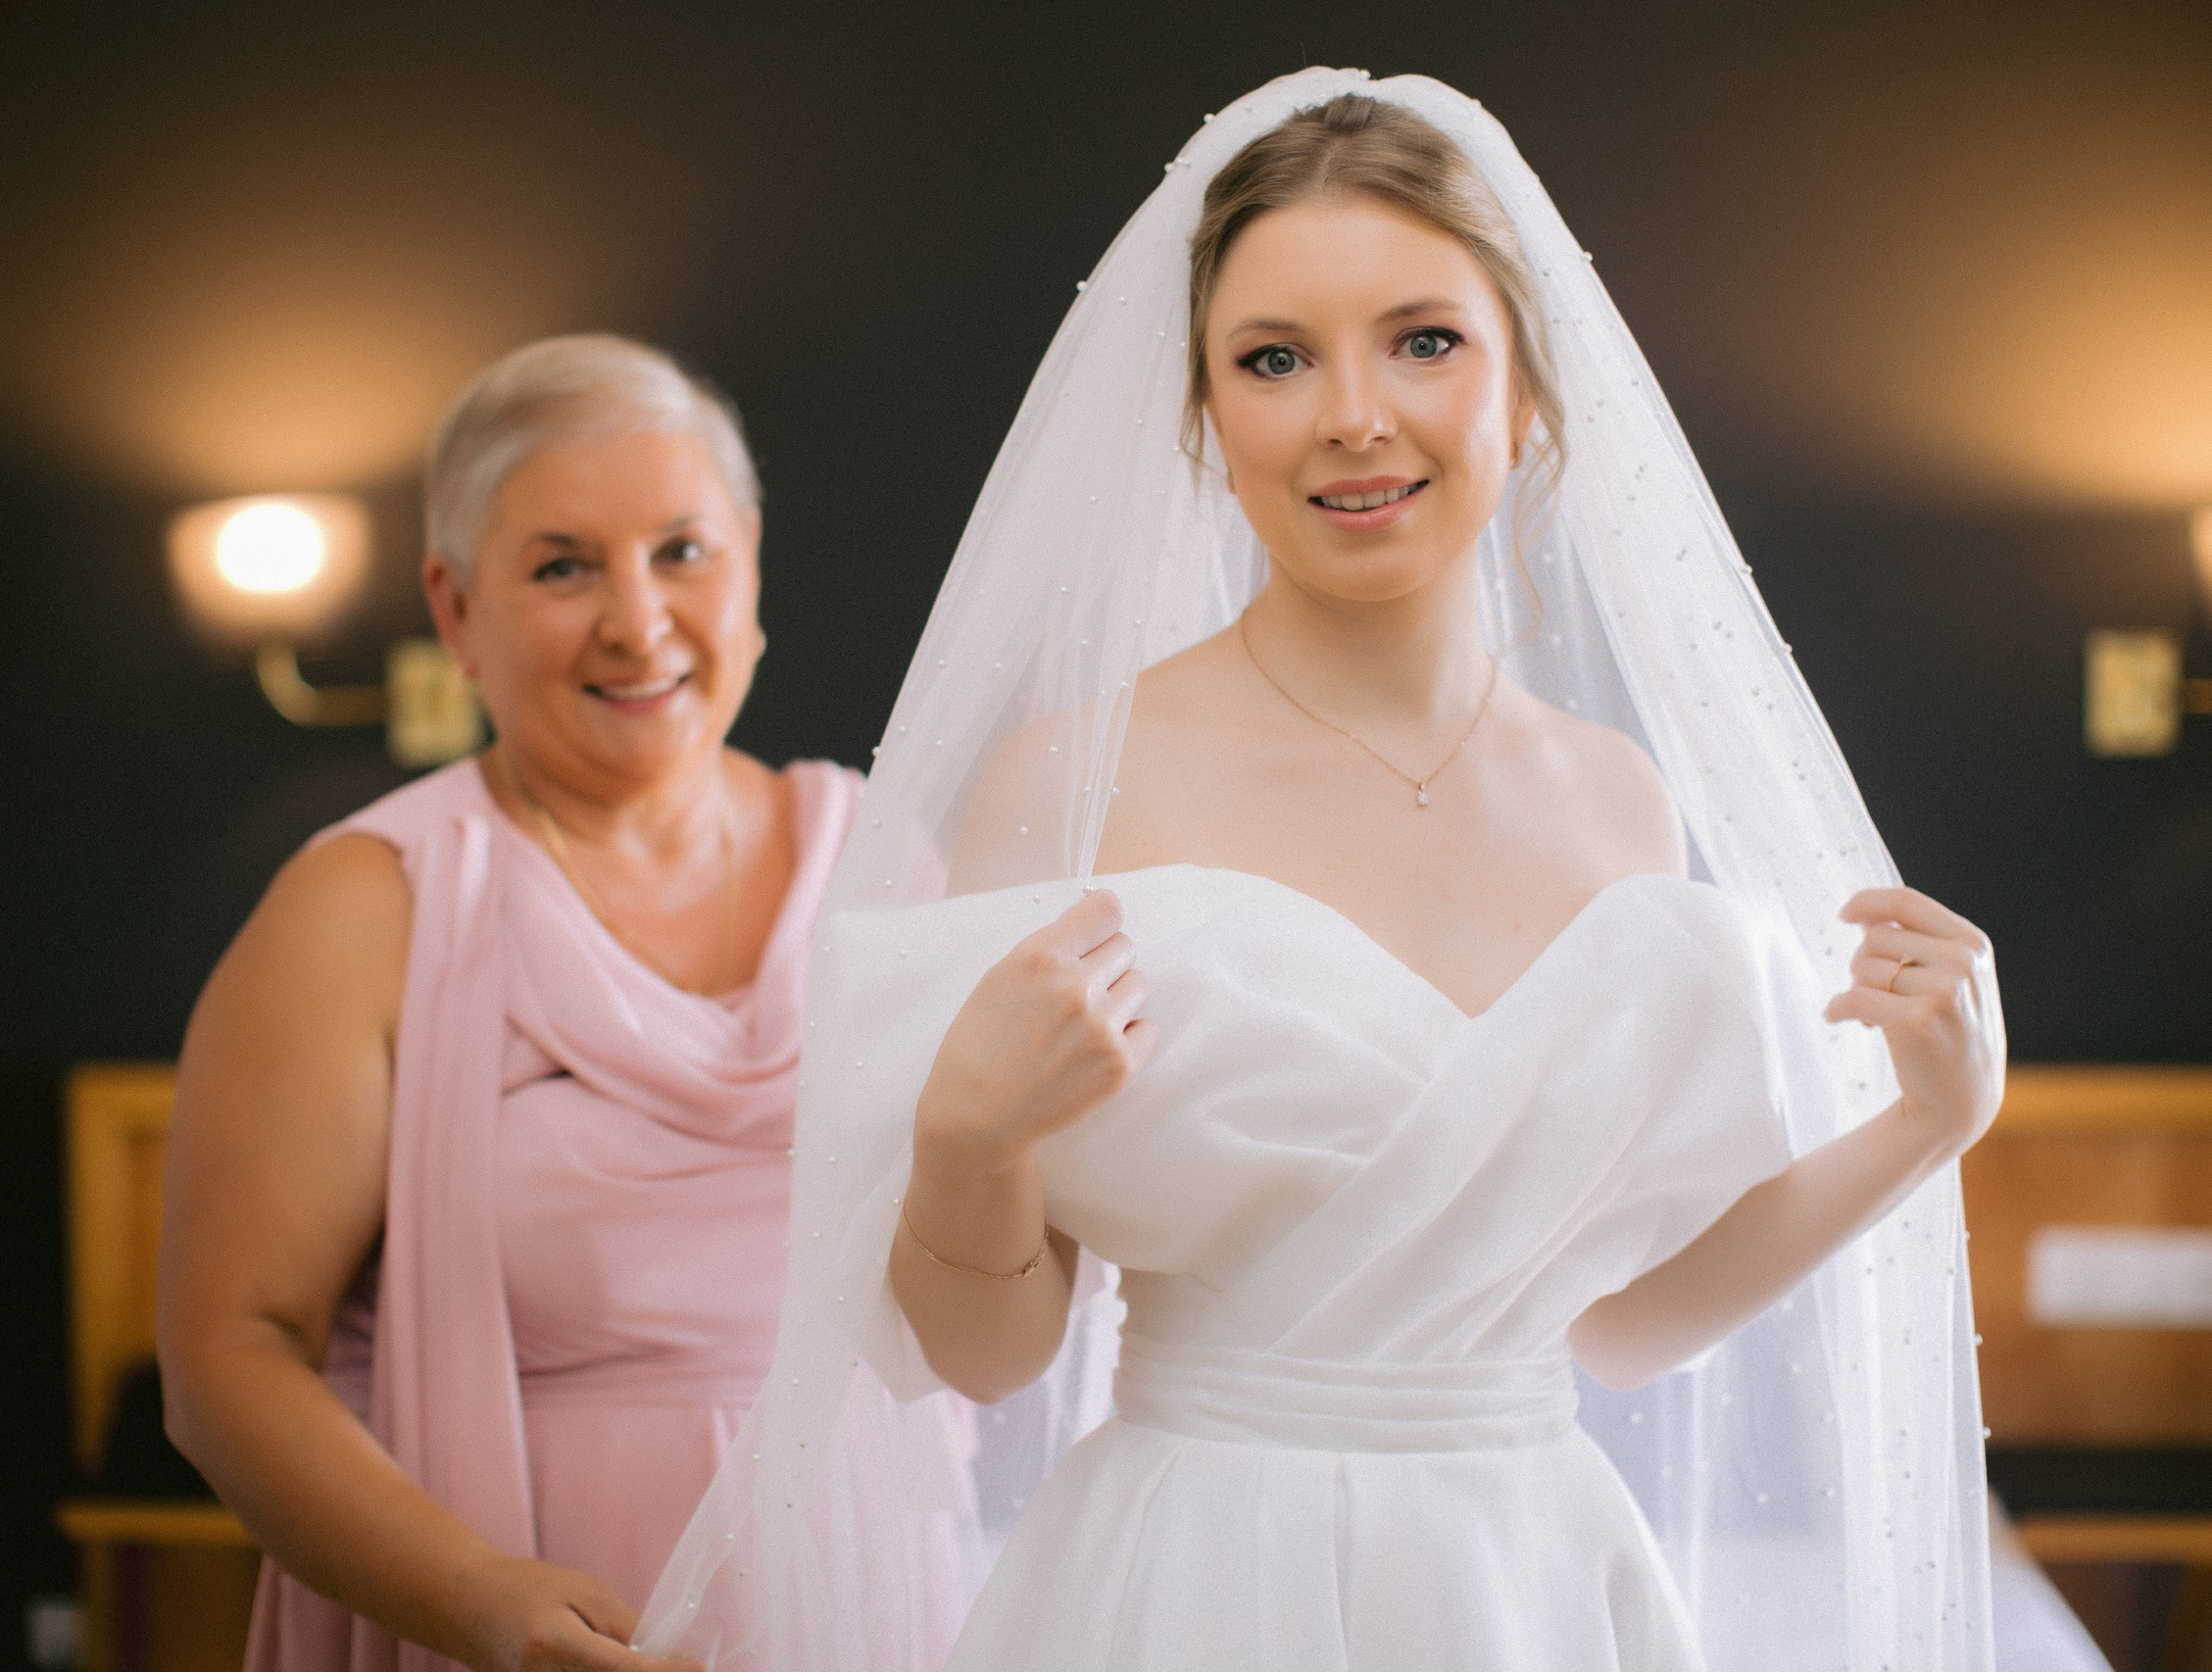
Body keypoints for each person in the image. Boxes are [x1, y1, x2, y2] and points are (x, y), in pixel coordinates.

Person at [643, 73, 2000, 1672]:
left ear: (1530, 393)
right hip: (1194, 1576)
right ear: (1210, 418)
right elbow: (988, 1351)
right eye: (1275, 358)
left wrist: (1927, 1126)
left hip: (1528, 1581)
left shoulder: (1615, 801)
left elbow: (1616, 1319)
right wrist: (967, 1131)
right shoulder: (1073, 781)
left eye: (1423, 340)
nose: (1354, 413)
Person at [159, 335, 974, 1672]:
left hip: (875, 1601)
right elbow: (226, 1353)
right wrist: (474, 1595)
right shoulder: (366, 908)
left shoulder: (890, 867)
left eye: (682, 551)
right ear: (454, 606)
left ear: (752, 563)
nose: (636, 620)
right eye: (561, 566)